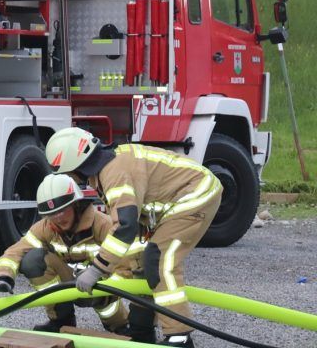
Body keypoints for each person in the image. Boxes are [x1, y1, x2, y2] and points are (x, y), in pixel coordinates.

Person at [45, 127, 222, 347]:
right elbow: (130, 224)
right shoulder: (110, 167)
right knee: (142, 264)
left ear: (74, 166)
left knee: (159, 261)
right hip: (179, 198)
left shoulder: (114, 172)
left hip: (195, 194)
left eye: (66, 173)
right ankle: (142, 331)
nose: (69, 179)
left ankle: (180, 336)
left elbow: (124, 227)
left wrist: (97, 269)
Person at [0, 173, 131, 335]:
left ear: (76, 205)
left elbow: (126, 263)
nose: (58, 218)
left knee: (115, 319)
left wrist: (98, 275)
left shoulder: (103, 225)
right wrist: (3, 277)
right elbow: (14, 252)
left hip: (99, 285)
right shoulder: (46, 227)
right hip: (70, 282)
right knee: (32, 261)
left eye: (63, 211)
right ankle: (61, 320)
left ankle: (118, 325)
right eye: (52, 214)